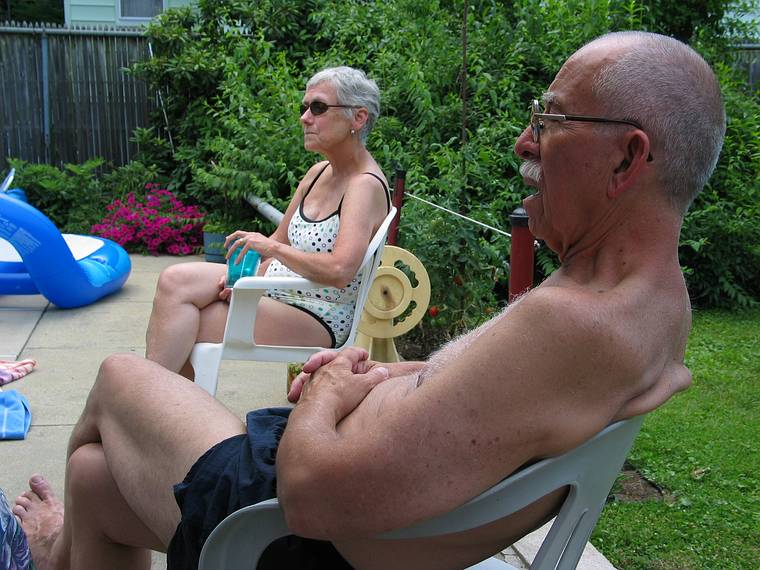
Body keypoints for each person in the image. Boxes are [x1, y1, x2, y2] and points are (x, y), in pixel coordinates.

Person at [12, 30, 725, 570]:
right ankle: (64, 546)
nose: (523, 142)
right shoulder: (648, 304)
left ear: (628, 158)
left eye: (550, 122)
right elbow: (480, 398)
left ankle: (51, 548)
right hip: (362, 504)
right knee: (91, 477)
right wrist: (386, 376)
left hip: (295, 526)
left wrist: (325, 388)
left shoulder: (569, 319)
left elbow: (313, 496)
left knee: (118, 378)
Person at [145, 66, 390, 377]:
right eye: (305, 107)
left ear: (358, 118)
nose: (304, 117)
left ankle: (146, 402)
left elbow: (340, 271)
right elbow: (280, 239)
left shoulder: (363, 186)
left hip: (318, 314)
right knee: (174, 281)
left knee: (181, 323)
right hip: (281, 291)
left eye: (318, 107)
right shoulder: (317, 174)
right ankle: (160, 406)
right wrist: (246, 281)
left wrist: (270, 254)